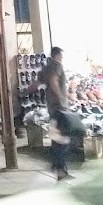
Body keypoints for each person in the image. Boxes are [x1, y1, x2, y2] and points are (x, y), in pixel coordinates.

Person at [38, 46, 71, 181]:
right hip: (59, 108)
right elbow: (53, 81)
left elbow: (37, 83)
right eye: (61, 56)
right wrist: (61, 100)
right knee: (63, 139)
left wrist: (23, 92)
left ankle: (56, 165)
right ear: (57, 56)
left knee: (55, 137)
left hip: (51, 107)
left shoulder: (45, 68)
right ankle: (60, 168)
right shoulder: (57, 66)